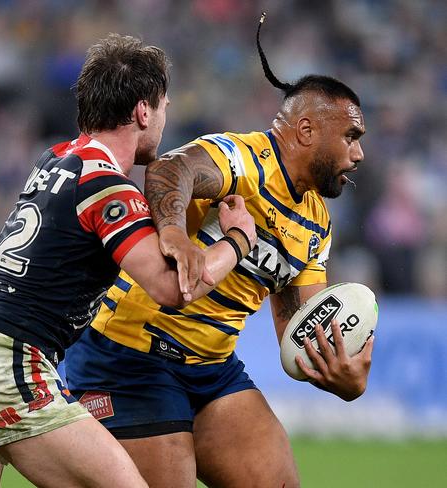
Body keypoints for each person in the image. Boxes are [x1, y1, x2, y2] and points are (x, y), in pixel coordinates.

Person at [0, 33, 257, 488]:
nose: (163, 120)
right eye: (163, 107)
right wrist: (236, 240)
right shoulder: (108, 185)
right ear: (142, 110)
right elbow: (172, 289)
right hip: (4, 359)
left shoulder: (55, 158)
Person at [65, 15, 374, 488]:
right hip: (129, 356)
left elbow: (298, 333)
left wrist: (339, 374)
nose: (359, 154)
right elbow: (171, 169)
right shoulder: (242, 159)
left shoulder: (316, 224)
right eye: (351, 137)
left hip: (211, 369)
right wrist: (171, 232)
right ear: (307, 129)